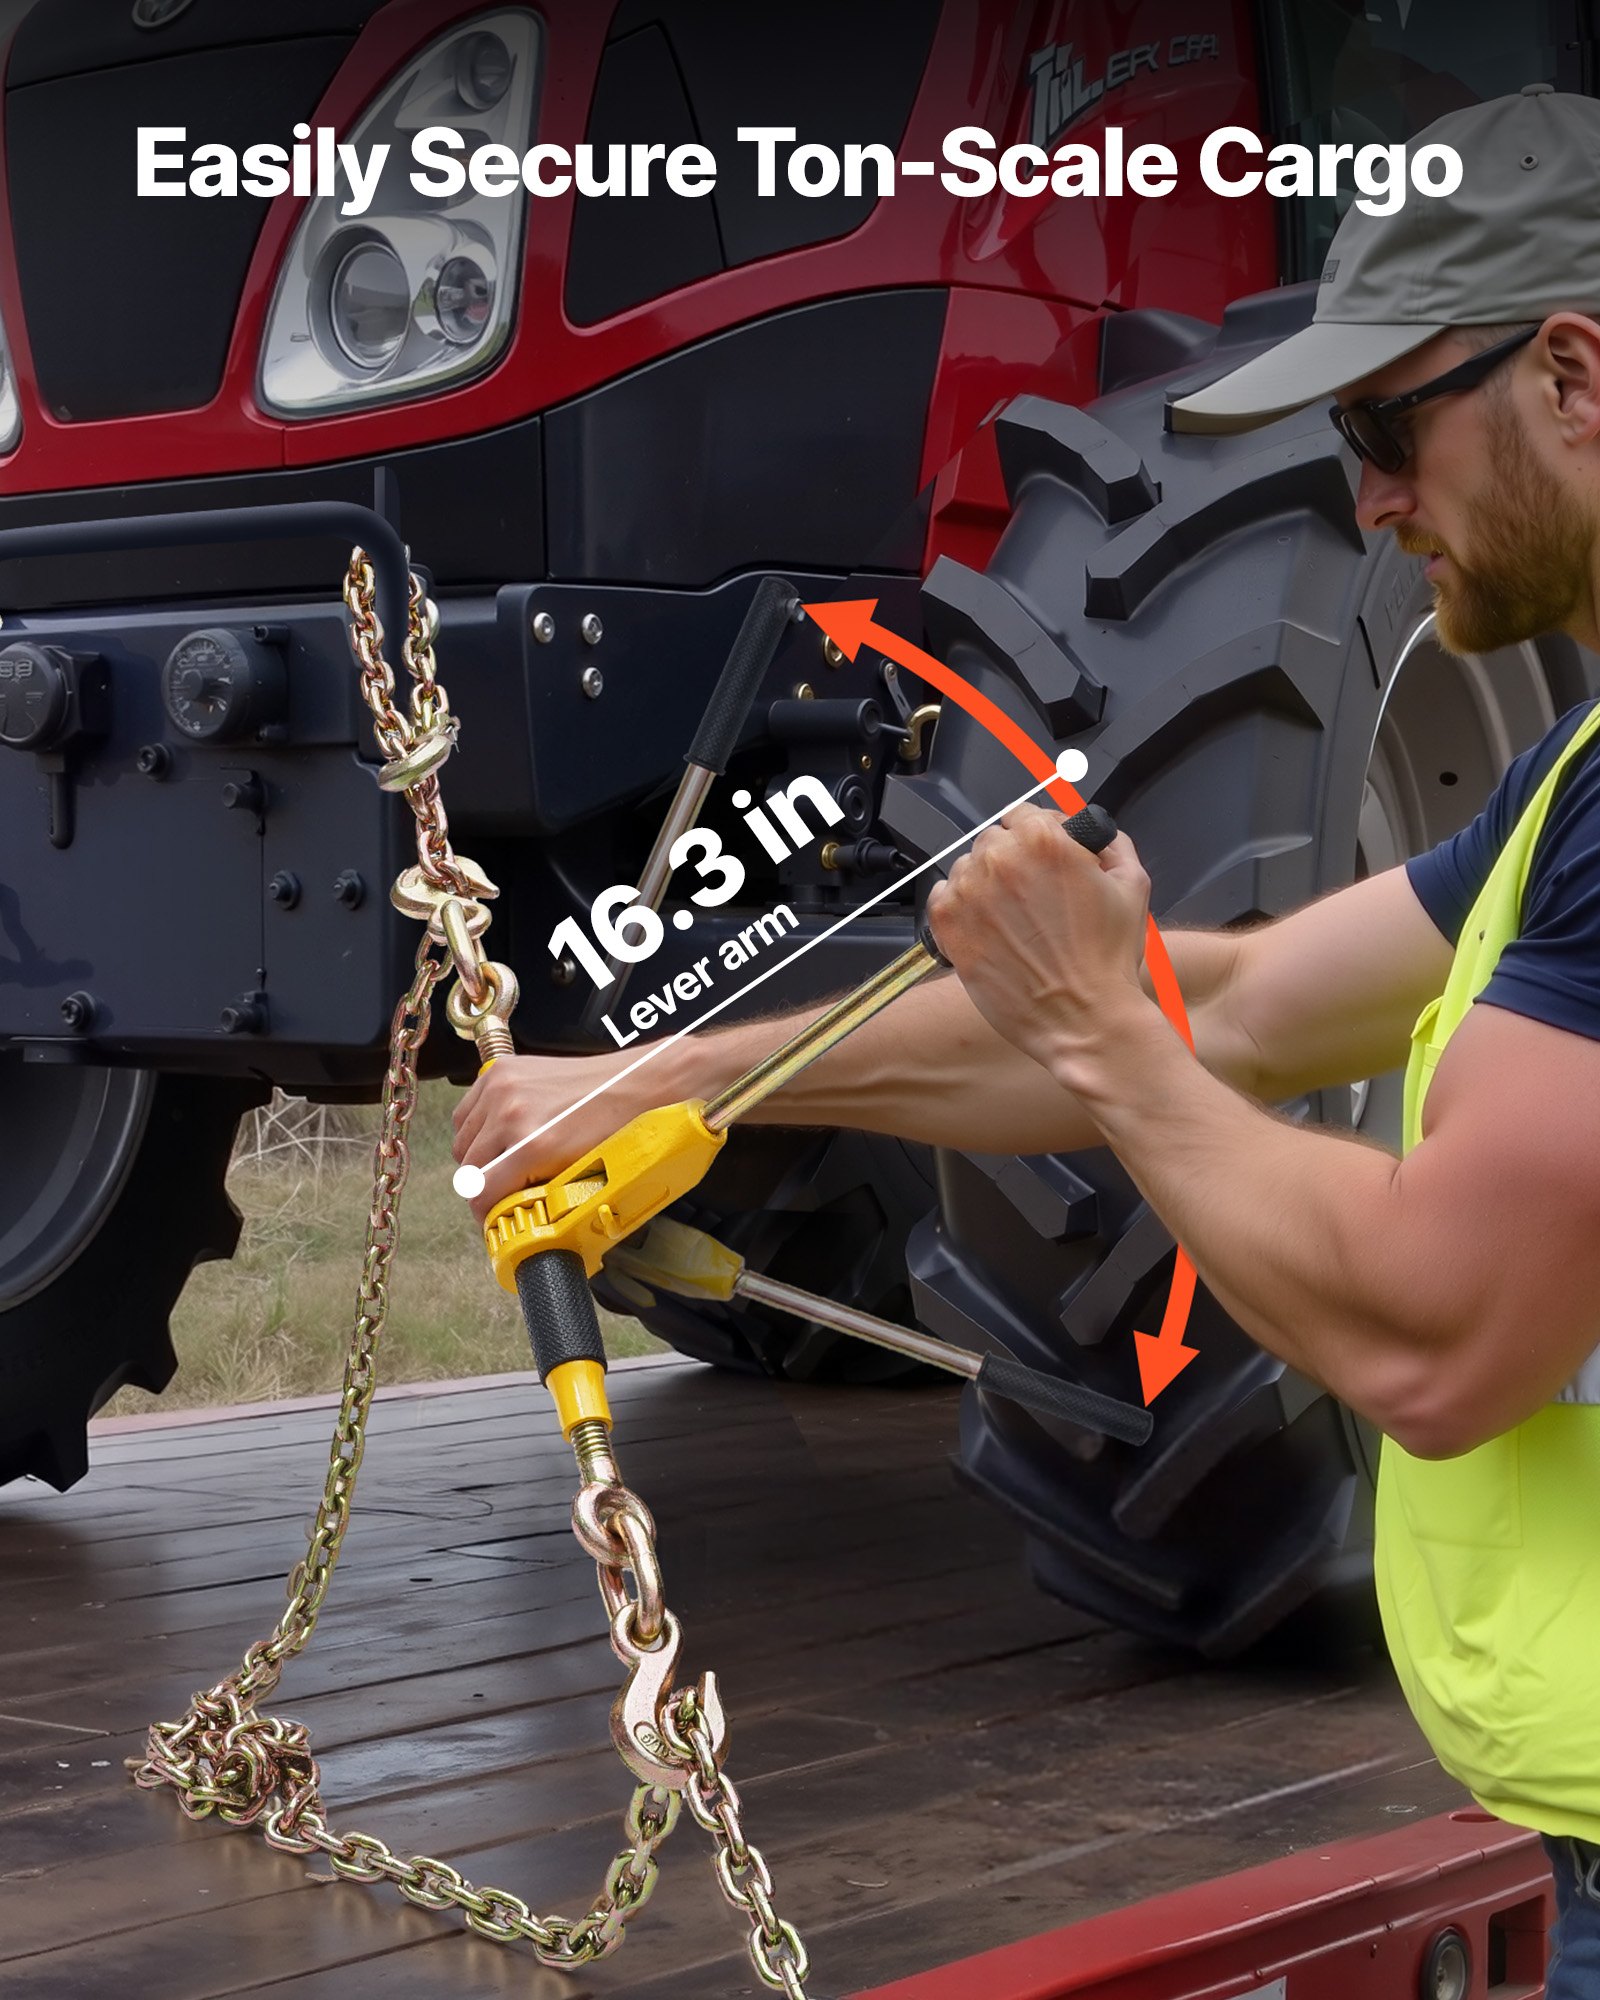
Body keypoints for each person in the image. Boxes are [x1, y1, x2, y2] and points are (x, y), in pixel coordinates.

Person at [455, 87, 1600, 1994]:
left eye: (1390, 426)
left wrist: (1101, 1027)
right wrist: (669, 1079)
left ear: (1572, 372)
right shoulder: (1565, 788)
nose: (1374, 498)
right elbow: (1222, 1005)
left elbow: (1442, 1336)